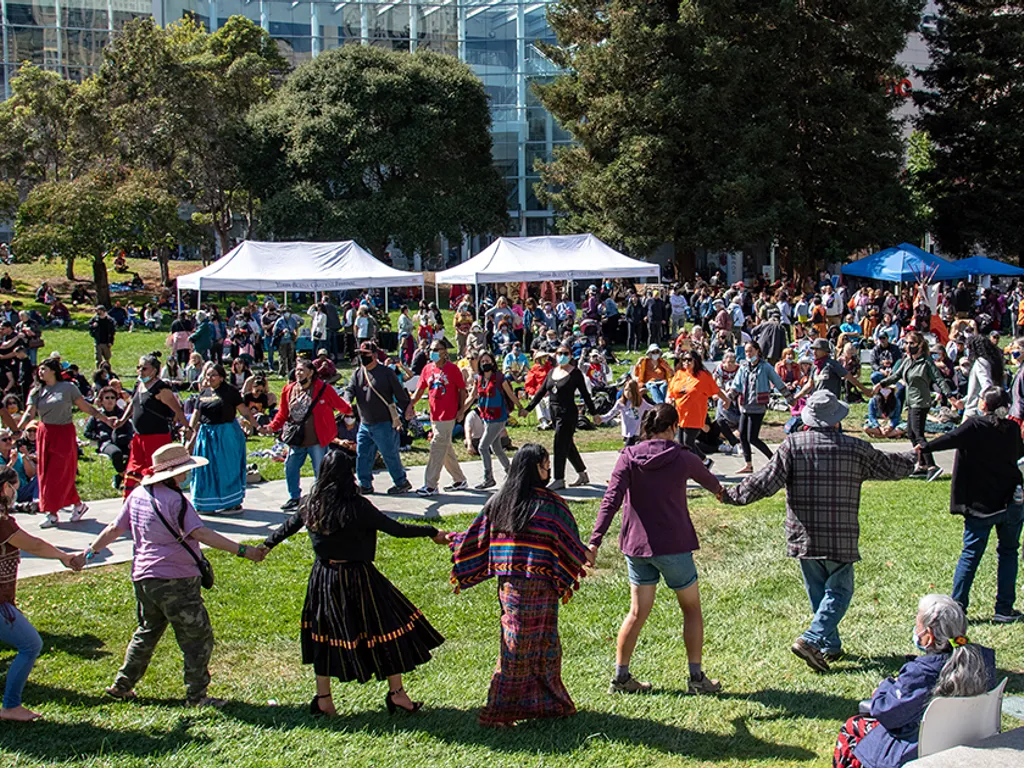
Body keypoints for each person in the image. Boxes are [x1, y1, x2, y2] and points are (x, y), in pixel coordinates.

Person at [722, 391, 916, 672]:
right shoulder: (855, 448)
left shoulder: (793, 446)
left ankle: (829, 645)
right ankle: (813, 639)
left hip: (804, 533)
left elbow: (765, 482)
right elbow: (891, 466)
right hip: (840, 533)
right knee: (839, 590)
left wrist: (732, 495)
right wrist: (915, 456)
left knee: (817, 591)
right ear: (836, 420)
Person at [258, 449, 447, 716]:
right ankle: (396, 694)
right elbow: (397, 529)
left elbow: (287, 526)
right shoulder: (357, 507)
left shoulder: (311, 503)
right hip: (359, 578)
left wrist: (265, 546)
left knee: (323, 634)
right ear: (349, 474)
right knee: (386, 628)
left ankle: (325, 699)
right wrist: (431, 532)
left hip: (324, 579)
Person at [79, 444, 265, 707]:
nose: (187, 475)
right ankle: (197, 696)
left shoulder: (138, 495)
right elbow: (201, 533)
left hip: (143, 578)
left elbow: (114, 527)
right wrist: (244, 550)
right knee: (197, 638)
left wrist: (89, 552)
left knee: (147, 631)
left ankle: (122, 685)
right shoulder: (177, 501)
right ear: (174, 472)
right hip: (176, 581)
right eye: (184, 470)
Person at [449, 444, 588, 727]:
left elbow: (569, 540)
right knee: (519, 648)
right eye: (545, 465)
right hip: (528, 588)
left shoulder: (512, 501)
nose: (548, 470)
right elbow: (477, 536)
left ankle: (548, 704)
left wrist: (455, 540)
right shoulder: (524, 502)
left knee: (541, 645)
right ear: (533, 468)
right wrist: (452, 538)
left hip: (522, 588)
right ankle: (501, 710)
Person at [588, 404, 723, 694]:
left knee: (637, 612)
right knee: (691, 608)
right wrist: (729, 495)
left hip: (636, 547)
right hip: (674, 545)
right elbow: (715, 486)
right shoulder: (683, 457)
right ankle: (696, 679)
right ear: (674, 426)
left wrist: (594, 541)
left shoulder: (628, 457)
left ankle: (621, 678)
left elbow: (610, 500)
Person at [832, 595, 996, 768]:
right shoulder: (982, 661)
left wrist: (884, 687)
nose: (916, 631)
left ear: (929, 636)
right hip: (965, 737)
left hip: (918, 748)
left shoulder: (921, 673)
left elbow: (888, 713)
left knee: (852, 726)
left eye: (918, 626)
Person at [923, 386, 1024, 622]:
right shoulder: (1010, 429)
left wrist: (924, 447)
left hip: (980, 504)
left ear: (984, 405)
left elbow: (949, 439)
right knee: (1009, 552)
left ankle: (958, 607)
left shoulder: (975, 426)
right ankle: (1004, 608)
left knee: (971, 553)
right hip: (1011, 500)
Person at [0, 466, 83, 721]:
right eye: (15, 486)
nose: (17, 491)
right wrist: (64, 556)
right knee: (30, 644)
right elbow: (32, 544)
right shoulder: (2, 524)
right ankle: (11, 706)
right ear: (5, 488)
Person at [18, 359, 111, 529]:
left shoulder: (68, 388)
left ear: (53, 371)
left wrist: (105, 419)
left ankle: (52, 513)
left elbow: (86, 407)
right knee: (46, 473)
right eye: (39, 370)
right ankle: (76, 505)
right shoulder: (37, 391)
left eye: (43, 369)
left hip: (64, 433)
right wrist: (18, 428)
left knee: (59, 472)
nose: (40, 372)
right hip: (45, 432)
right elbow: (29, 413)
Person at [270, 359, 354, 510]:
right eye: (297, 370)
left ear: (311, 372)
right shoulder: (289, 390)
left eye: (302, 370)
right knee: (290, 467)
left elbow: (339, 404)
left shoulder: (323, 389)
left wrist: (349, 410)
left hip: (317, 438)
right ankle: (294, 497)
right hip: (297, 438)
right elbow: (283, 413)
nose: (298, 373)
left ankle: (322, 498)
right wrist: (272, 426)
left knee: (320, 470)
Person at [874, 331, 959, 479]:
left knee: (918, 434)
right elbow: (896, 376)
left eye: (911, 343)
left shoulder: (926, 362)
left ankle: (932, 466)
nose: (908, 346)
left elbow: (939, 379)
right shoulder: (907, 360)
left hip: (922, 401)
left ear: (920, 345)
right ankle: (922, 465)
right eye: (906, 343)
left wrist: (950, 397)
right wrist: (881, 384)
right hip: (911, 401)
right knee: (911, 432)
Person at [186, 365, 260, 516]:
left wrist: (258, 426)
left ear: (221, 377)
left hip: (226, 433)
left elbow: (244, 411)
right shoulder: (204, 393)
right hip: (206, 434)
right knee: (205, 469)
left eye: (213, 375)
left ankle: (231, 503)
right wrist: (189, 429)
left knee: (226, 467)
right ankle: (206, 503)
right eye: (208, 375)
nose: (210, 378)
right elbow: (196, 412)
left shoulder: (230, 391)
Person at [522, 345, 597, 490]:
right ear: (555, 355)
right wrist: (528, 409)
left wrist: (594, 414)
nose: (562, 355)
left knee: (559, 444)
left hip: (568, 413)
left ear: (570, 355)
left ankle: (558, 478)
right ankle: (582, 474)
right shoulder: (551, 372)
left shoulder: (575, 373)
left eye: (565, 353)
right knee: (567, 445)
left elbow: (585, 395)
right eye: (559, 353)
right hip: (554, 413)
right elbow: (541, 391)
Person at [115, 354, 191, 496]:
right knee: (133, 472)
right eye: (138, 368)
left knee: (158, 474)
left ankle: (165, 504)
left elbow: (178, 410)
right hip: (139, 439)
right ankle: (132, 507)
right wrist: (122, 420)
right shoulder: (139, 385)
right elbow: (133, 404)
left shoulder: (161, 389)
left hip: (157, 439)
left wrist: (187, 427)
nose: (140, 371)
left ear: (155, 370)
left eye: (144, 368)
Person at [344, 343, 413, 496]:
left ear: (375, 356)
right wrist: (347, 401)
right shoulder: (357, 374)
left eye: (366, 354)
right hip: (365, 423)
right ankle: (365, 484)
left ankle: (401, 482)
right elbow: (350, 390)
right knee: (363, 455)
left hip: (384, 423)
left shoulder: (386, 373)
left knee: (389, 454)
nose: (362, 357)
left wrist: (408, 408)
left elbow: (400, 393)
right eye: (360, 354)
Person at [409, 341, 469, 496]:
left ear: (444, 351)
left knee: (437, 446)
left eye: (436, 349)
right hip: (434, 415)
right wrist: (410, 405)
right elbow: (419, 390)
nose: (432, 352)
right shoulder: (427, 369)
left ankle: (430, 484)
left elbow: (462, 390)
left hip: (448, 415)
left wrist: (461, 410)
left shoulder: (452, 369)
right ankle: (459, 479)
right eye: (430, 350)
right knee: (445, 447)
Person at [729, 340, 792, 474]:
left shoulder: (765, 367)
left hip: (758, 407)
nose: (748, 353)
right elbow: (736, 385)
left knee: (753, 437)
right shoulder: (744, 366)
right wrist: (727, 399)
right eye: (746, 351)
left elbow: (777, 381)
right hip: (745, 406)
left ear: (757, 351)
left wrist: (788, 397)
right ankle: (748, 465)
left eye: (751, 351)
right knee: (742, 436)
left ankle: (774, 460)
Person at [466, 350, 522, 489]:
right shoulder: (478, 378)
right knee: (496, 447)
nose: (485, 363)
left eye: (488, 361)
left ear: (492, 362)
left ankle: (488, 478)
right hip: (486, 417)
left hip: (498, 417)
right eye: (483, 361)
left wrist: (521, 407)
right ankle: (511, 473)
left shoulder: (499, 378)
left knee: (482, 447)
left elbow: (510, 394)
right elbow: (473, 396)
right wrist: (461, 411)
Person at [667, 350, 728, 467]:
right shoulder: (679, 374)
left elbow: (716, 390)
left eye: (689, 360)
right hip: (680, 415)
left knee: (688, 443)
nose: (686, 362)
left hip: (695, 415)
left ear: (696, 361)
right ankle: (699, 463)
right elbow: (671, 389)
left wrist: (726, 400)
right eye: (683, 360)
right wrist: (669, 398)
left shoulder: (703, 376)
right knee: (681, 444)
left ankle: (700, 464)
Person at [84, 386, 134, 491]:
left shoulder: (122, 414)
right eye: (107, 398)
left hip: (122, 441)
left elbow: (130, 429)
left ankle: (120, 477)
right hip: (106, 443)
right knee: (116, 453)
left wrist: (129, 439)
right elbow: (87, 432)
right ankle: (123, 476)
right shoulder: (97, 415)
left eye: (112, 398)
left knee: (134, 453)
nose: (110, 400)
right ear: (101, 401)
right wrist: (99, 437)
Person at [595, 378, 653, 447]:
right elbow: (611, 413)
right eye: (626, 390)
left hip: (636, 433)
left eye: (630, 391)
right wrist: (601, 418)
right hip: (626, 432)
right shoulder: (621, 403)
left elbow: (652, 408)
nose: (627, 392)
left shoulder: (640, 402)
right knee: (630, 451)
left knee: (627, 450)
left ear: (635, 391)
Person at [962, 334, 1004, 417]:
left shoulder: (980, 362)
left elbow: (987, 385)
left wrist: (982, 402)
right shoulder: (992, 362)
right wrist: (963, 401)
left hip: (975, 411)